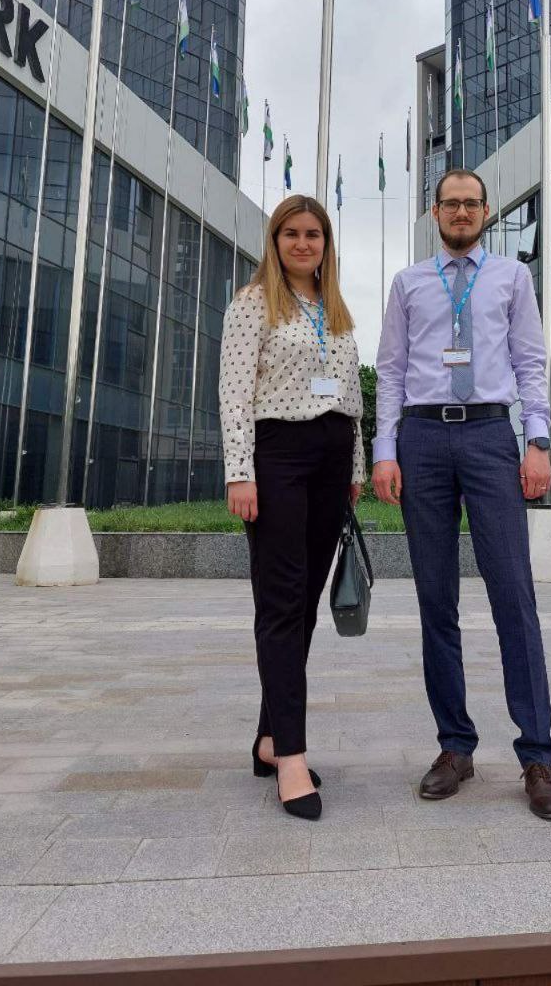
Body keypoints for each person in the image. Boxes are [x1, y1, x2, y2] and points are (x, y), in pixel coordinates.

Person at [372, 169, 551, 821]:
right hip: (424, 441)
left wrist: (536, 440)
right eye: (451, 203)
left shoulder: (512, 278)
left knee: (514, 594)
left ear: (486, 211)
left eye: (471, 203)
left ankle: (537, 756)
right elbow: (392, 370)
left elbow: (531, 361)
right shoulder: (409, 283)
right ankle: (455, 746)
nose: (461, 212)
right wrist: (385, 450)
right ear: (435, 213)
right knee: (436, 600)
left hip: (489, 436)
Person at [219, 195, 365, 821]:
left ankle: (269, 737)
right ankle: (293, 759)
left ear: (326, 244)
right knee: (280, 602)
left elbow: (352, 395)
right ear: (275, 241)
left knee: (303, 604)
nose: (304, 244)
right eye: (292, 234)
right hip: (277, 455)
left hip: (333, 458)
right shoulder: (254, 302)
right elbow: (233, 392)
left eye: (314, 234)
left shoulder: (335, 309)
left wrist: (355, 468)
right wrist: (239, 472)